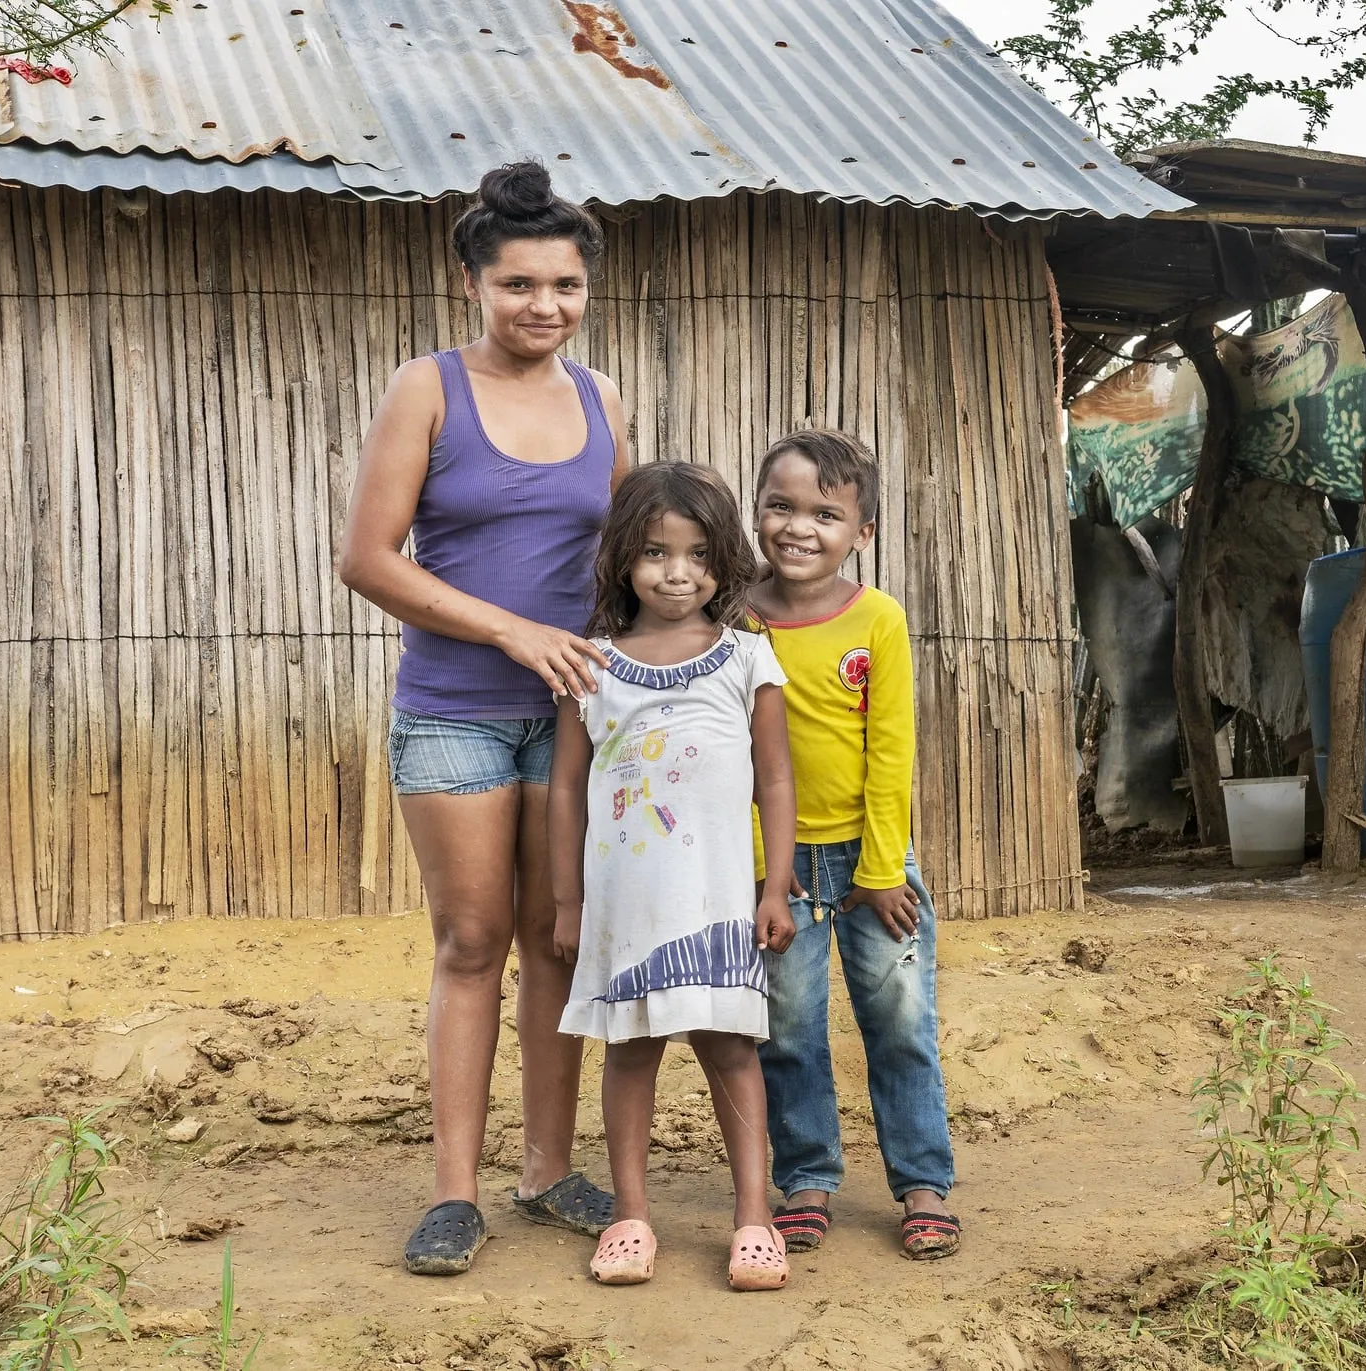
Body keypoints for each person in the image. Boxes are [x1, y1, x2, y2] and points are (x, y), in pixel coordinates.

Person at [337, 161, 625, 1276]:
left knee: (560, 942)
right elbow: (366, 560)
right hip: (456, 709)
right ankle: (453, 1194)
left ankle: (548, 1172)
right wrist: (508, 631)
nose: (542, 306)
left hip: (572, 720)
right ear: (471, 285)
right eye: (517, 285)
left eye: (562, 285)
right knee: (470, 945)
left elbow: (628, 558)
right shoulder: (427, 389)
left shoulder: (600, 399)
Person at [549, 462, 799, 1290]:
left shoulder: (746, 660)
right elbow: (565, 788)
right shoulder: (593, 667)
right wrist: (566, 901)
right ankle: (630, 1217)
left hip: (718, 902)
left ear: (724, 561)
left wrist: (773, 886)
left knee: (731, 1049)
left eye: (695, 554)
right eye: (655, 552)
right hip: (626, 909)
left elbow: (775, 780)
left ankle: (755, 1219)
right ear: (624, 557)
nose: (676, 572)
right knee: (630, 1052)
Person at [749, 430, 961, 1261]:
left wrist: (878, 871)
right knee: (788, 1026)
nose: (799, 527)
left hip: (874, 864)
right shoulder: (734, 620)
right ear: (756, 510)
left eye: (825, 514)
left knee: (900, 1022)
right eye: (781, 506)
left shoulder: (878, 619)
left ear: (861, 532)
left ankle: (922, 1182)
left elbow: (891, 750)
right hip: (778, 869)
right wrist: (762, 874)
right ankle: (806, 1177)